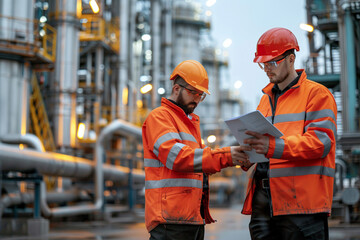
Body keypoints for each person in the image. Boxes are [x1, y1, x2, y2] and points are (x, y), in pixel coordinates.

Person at [241, 27, 337, 240]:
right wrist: (248, 153)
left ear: (291, 59)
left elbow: (320, 142)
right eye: (263, 63)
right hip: (264, 200)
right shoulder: (265, 100)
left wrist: (271, 147)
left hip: (302, 204)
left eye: (272, 62)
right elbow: (265, 144)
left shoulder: (317, 95)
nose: (267, 68)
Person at [142, 59, 252, 240]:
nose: (197, 99)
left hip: (191, 217)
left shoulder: (190, 123)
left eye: (201, 95)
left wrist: (235, 158)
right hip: (170, 219)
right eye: (193, 92)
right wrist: (226, 156)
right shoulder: (160, 117)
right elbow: (177, 157)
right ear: (176, 89)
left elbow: (198, 167)